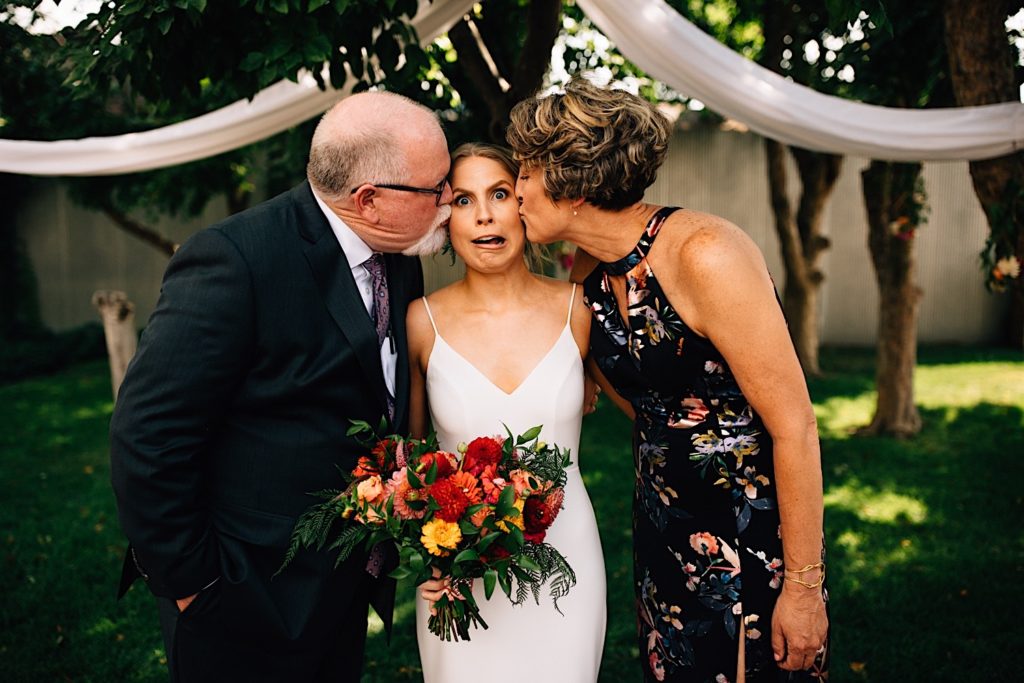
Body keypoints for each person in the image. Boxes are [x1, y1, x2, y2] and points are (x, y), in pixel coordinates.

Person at [109, 90, 452, 682]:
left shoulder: (399, 253)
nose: (450, 201)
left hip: (342, 587)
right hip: (243, 595)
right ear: (368, 199)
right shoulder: (234, 260)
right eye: (436, 188)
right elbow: (148, 437)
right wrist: (195, 586)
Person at [506, 79, 829, 683]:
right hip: (664, 537)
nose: (517, 192)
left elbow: (796, 425)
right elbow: (650, 407)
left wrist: (804, 588)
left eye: (526, 173)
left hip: (750, 538)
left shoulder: (706, 253)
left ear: (571, 181)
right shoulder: (594, 276)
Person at [407, 143, 607, 682]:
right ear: (446, 219)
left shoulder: (580, 310)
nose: (485, 215)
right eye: (464, 200)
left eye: (498, 194)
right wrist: (425, 554)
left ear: (522, 205)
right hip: (460, 571)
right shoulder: (420, 321)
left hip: (568, 558)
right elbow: (411, 460)